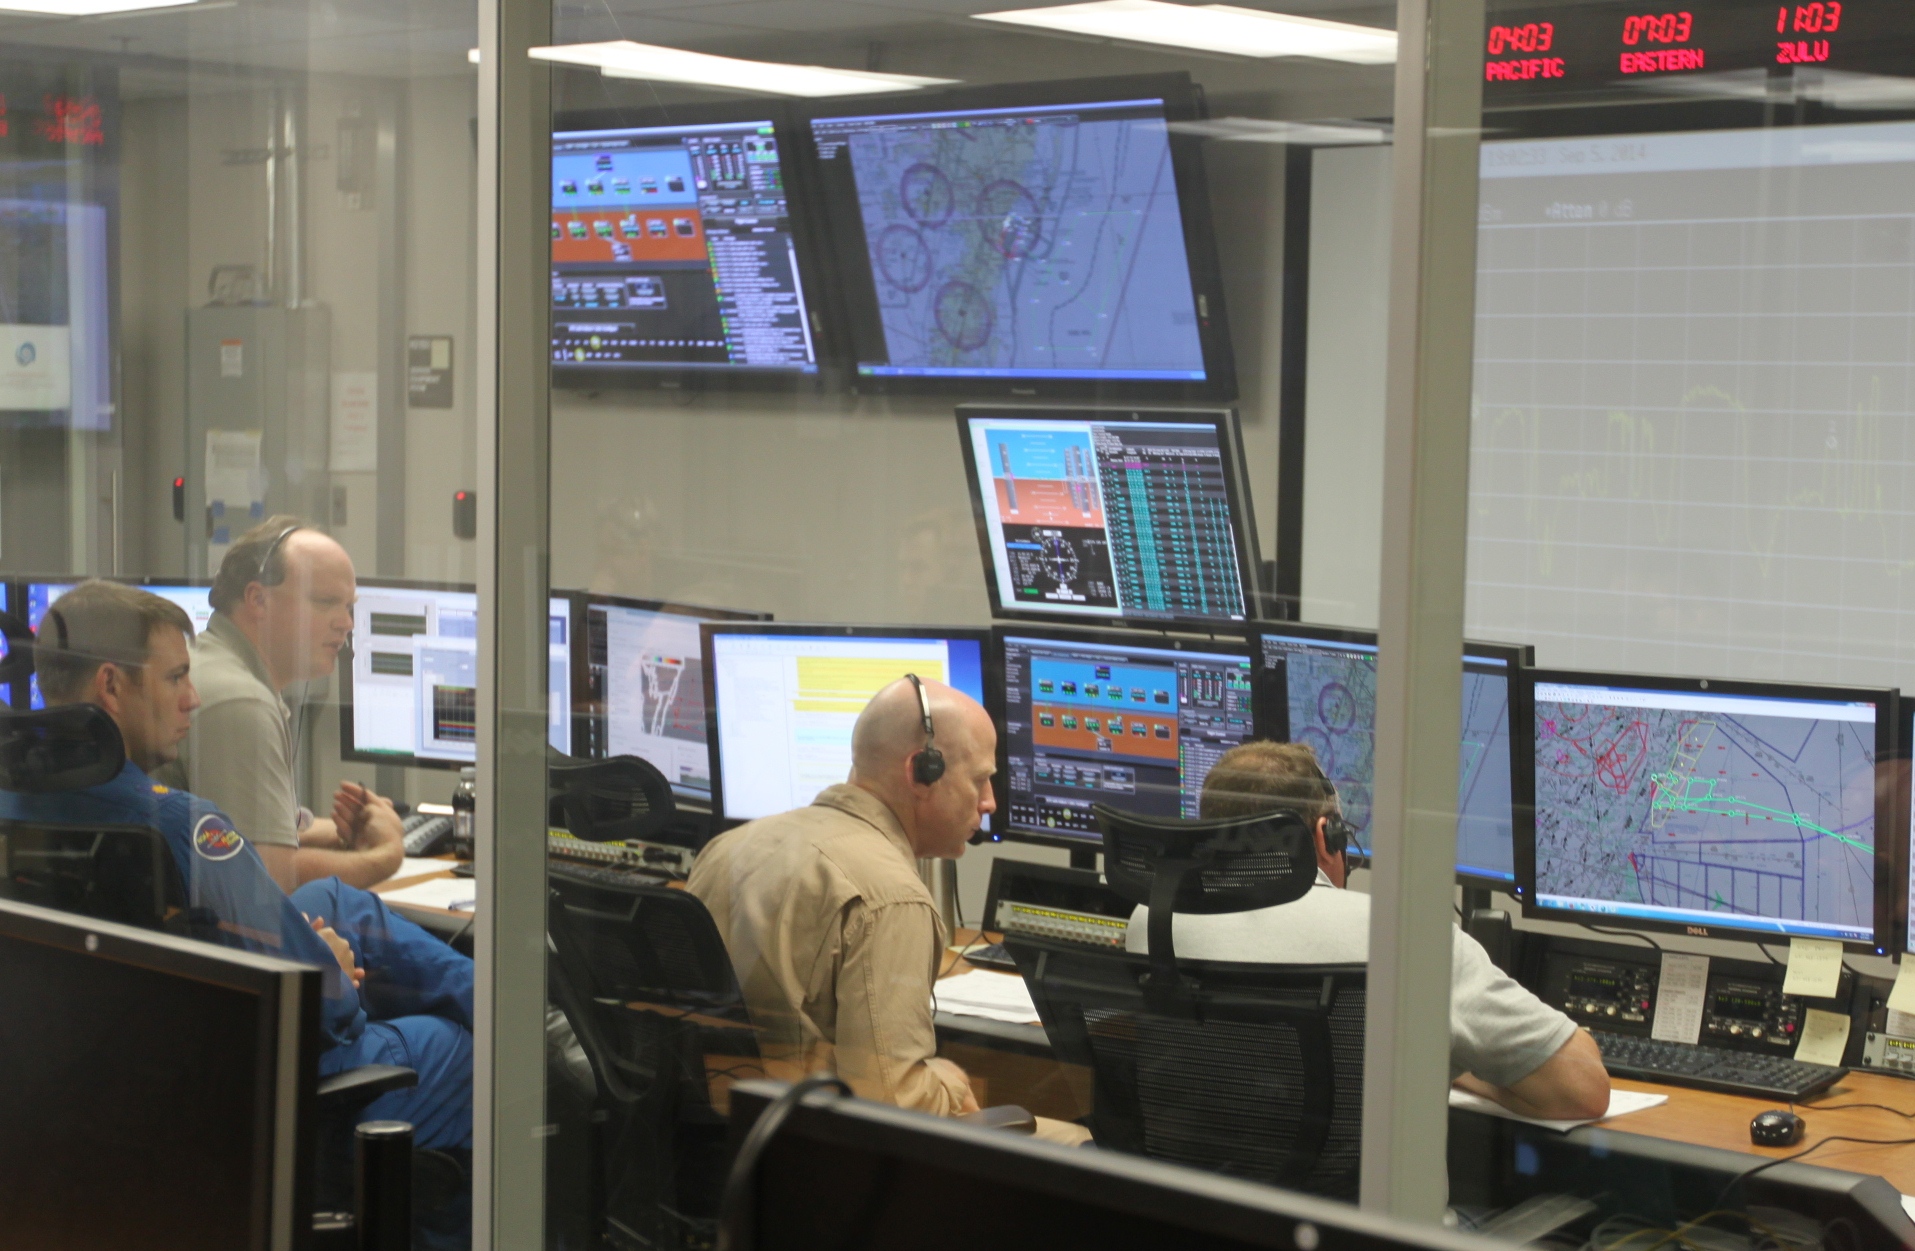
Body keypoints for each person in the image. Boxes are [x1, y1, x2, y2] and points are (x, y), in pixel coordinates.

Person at [1, 580, 476, 1150]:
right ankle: (524, 1025)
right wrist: (333, 969)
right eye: (176, 676)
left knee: (333, 901)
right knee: (462, 1046)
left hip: (90, 1069)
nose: (193, 698)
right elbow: (323, 1010)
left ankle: (505, 1005)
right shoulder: (181, 827)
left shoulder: (15, 806)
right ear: (111, 685)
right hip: (240, 1085)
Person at [688, 677, 1086, 1144]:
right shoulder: (891, 898)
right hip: (811, 1157)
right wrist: (947, 1083)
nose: (989, 802)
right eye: (979, 779)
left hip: (720, 1141)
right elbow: (892, 1105)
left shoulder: (729, 847)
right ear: (922, 771)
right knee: (1084, 1147)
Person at [1126, 740, 1611, 1122]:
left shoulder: (1151, 922)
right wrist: (1457, 1067)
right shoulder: (1403, 938)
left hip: (1210, 1221)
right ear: (1323, 834)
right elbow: (1584, 1089)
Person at [159, 515, 404, 892]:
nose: (346, 623)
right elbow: (267, 880)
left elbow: (246, 836)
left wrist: (341, 834)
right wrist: (386, 855)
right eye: (325, 603)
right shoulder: (241, 701)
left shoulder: (211, 664)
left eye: (348, 606)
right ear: (258, 599)